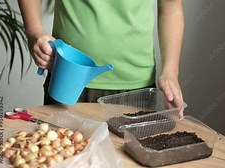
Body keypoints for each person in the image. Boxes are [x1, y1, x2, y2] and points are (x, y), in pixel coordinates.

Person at [18, 0, 185, 119]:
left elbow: (171, 6)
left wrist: (171, 71)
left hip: (136, 86)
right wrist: (34, 31)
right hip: (68, 78)